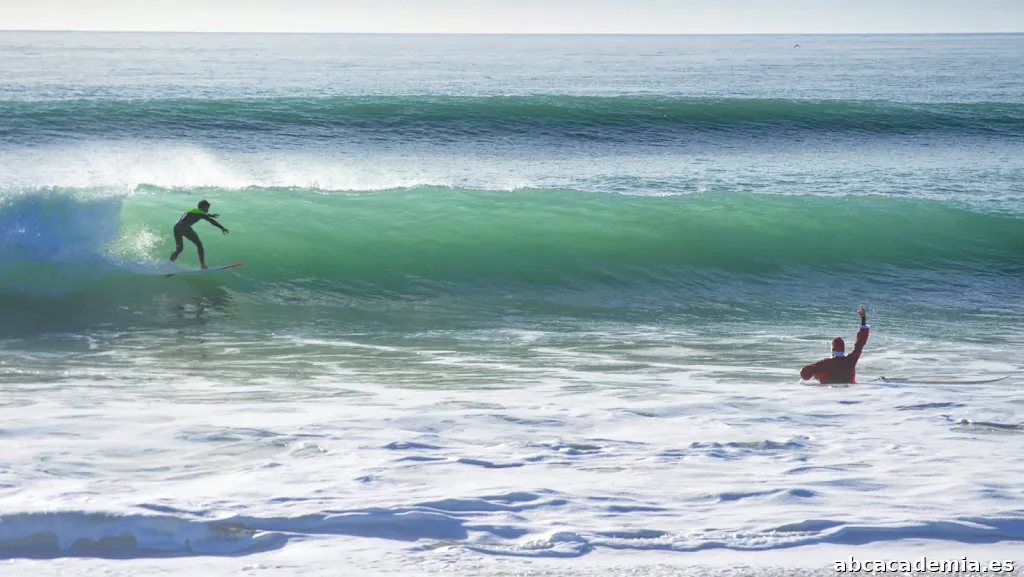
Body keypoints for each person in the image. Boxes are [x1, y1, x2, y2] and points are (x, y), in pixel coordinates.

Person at [800, 306, 870, 384]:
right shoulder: (851, 360)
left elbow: (804, 374)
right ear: (843, 350)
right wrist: (863, 319)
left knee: (817, 373)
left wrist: (814, 374)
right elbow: (860, 342)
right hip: (850, 392)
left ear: (832, 350)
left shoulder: (826, 363)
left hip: (830, 392)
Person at [170, 200, 228, 269]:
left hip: (176, 227)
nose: (208, 210)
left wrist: (210, 215)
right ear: (203, 208)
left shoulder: (192, 210)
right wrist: (222, 228)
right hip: (185, 228)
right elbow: (211, 221)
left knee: (179, 249)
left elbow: (201, 215)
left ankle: (170, 263)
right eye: (207, 208)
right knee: (199, 245)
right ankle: (202, 265)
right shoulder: (200, 214)